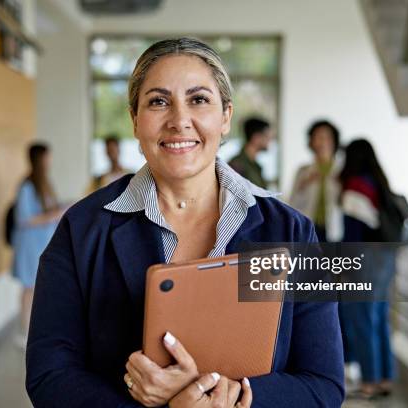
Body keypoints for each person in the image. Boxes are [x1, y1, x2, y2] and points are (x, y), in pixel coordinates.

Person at [26, 38, 344, 407]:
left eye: (198, 100)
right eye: (158, 101)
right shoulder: (82, 230)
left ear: (226, 116)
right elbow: (50, 375)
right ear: (134, 119)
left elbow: (323, 385)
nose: (179, 121)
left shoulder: (291, 233)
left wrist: (235, 397)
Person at [338, 139, 396, 399]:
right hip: (385, 258)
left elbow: (353, 234)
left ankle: (369, 382)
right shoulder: (378, 182)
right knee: (379, 318)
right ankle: (385, 378)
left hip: (364, 259)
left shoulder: (355, 186)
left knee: (362, 320)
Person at [10, 143, 64, 346]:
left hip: (41, 243)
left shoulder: (43, 184)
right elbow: (25, 218)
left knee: (37, 287)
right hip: (30, 245)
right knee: (29, 288)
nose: (50, 161)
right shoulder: (27, 186)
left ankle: (33, 330)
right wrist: (54, 215)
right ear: (40, 159)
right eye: (47, 157)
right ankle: (25, 333)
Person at [289, 120, 343, 242]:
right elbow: (292, 204)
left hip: (335, 230)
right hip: (309, 228)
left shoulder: (342, 170)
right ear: (311, 142)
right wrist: (304, 184)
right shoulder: (303, 171)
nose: (322, 142)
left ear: (334, 141)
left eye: (327, 137)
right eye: (318, 137)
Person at [227, 117, 272, 189]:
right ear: (256, 137)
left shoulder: (256, 166)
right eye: (267, 136)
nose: (270, 140)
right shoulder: (237, 165)